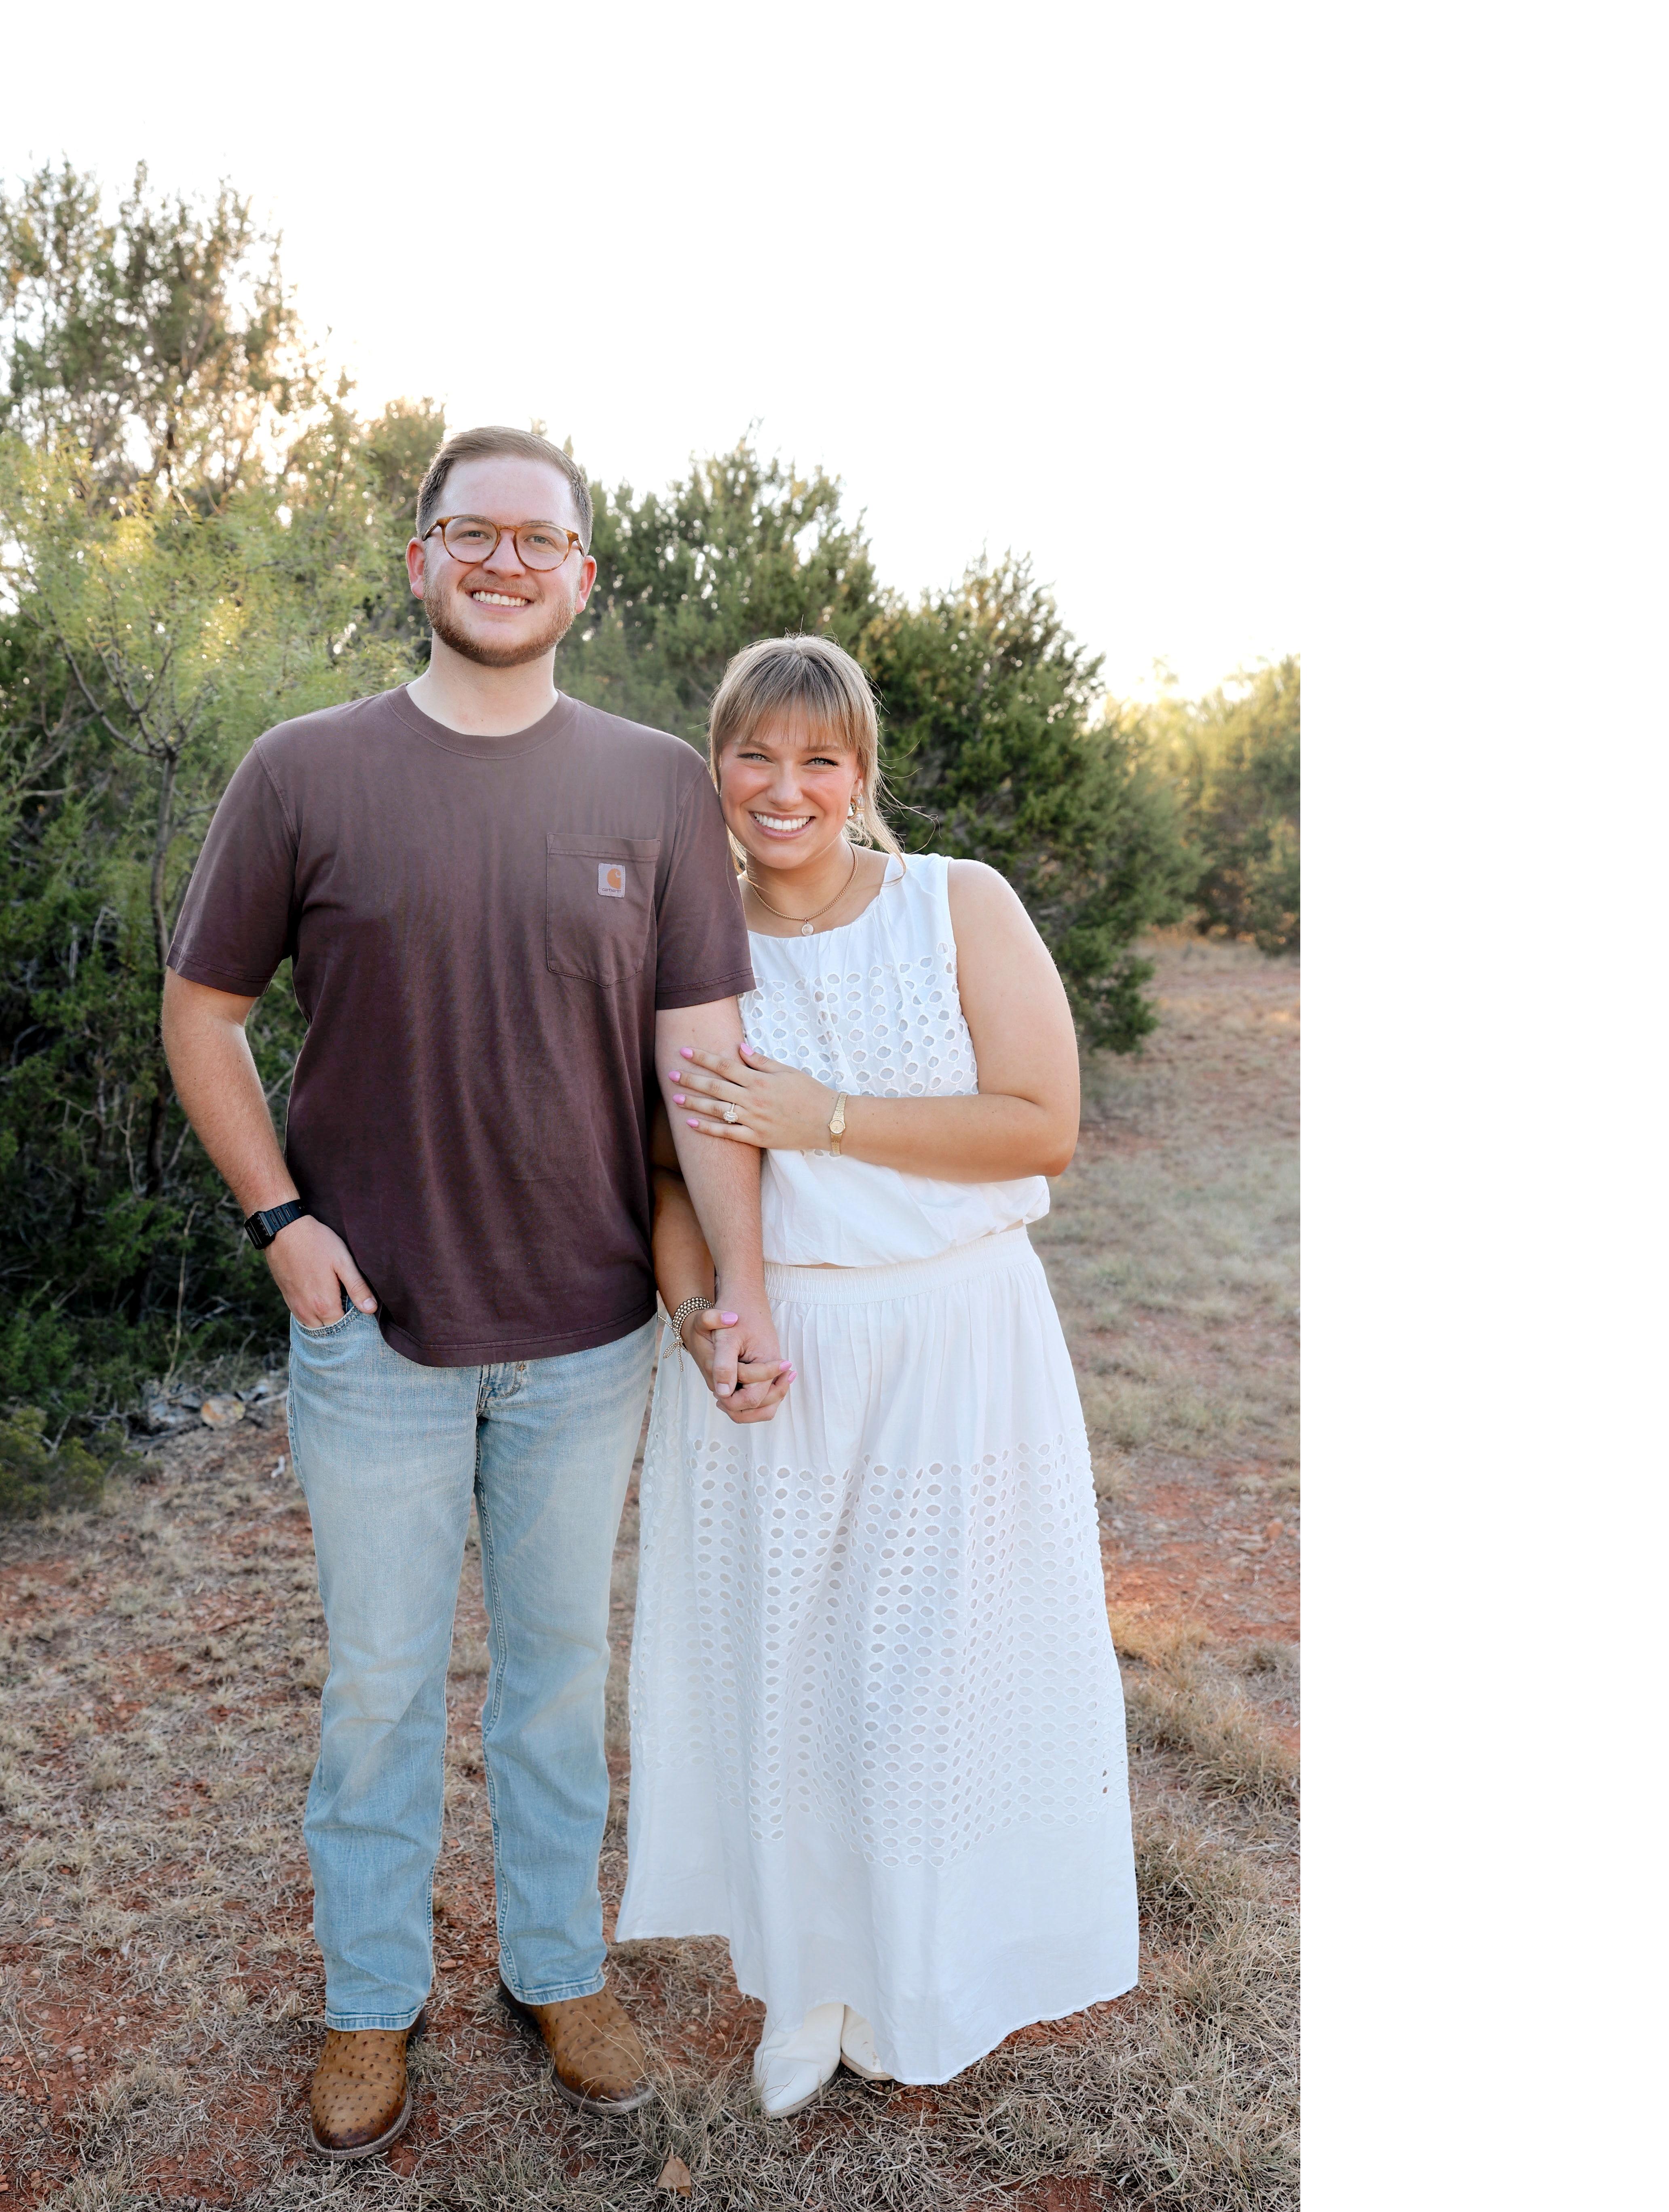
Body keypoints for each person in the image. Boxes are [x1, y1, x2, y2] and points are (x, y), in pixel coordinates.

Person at [158, 426, 793, 2161]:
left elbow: (704, 1069)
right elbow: (202, 1012)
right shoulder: (304, 771)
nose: (506, 561)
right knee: (378, 1688)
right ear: (421, 559)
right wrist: (280, 1219)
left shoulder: (656, 787)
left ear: (583, 577)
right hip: (372, 1335)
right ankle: (372, 2000)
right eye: (473, 532)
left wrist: (736, 1291)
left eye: (540, 539)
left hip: (589, 1335)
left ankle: (556, 1971)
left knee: (557, 1683)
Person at [615, 635, 1139, 2113]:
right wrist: (700, 1317)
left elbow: (1041, 1123)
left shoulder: (957, 902)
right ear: (716, 768)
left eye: (819, 759)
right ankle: (807, 1984)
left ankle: (927, 1966)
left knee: (926, 1680)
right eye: (755, 756)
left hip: (958, 1344)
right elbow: (665, 1171)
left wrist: (825, 1117)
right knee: (786, 1676)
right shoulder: (685, 943)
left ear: (860, 774)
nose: (784, 788)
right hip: (783, 1348)